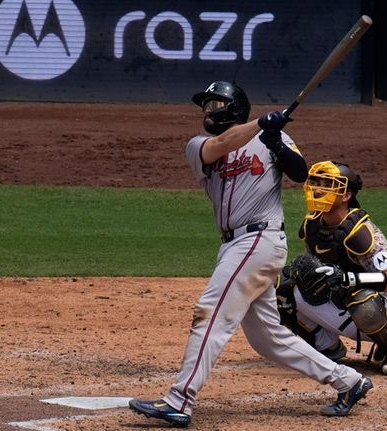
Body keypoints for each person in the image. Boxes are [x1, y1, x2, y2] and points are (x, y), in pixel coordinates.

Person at [128, 81, 373, 428]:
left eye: (215, 105)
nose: (208, 112)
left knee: (211, 313)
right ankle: (349, 381)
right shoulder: (198, 146)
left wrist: (276, 142)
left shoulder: (271, 137)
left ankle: (179, 400)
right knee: (268, 338)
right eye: (206, 106)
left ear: (233, 108)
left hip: (259, 240)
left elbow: (302, 173)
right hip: (236, 245)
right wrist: (261, 125)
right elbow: (221, 145)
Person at [275, 161, 387, 375]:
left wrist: (348, 278)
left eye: (327, 184)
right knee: (279, 288)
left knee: (361, 298)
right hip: (341, 304)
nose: (318, 189)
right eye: (316, 182)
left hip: (385, 309)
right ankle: (327, 346)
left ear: (346, 195)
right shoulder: (312, 225)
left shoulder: (361, 232)